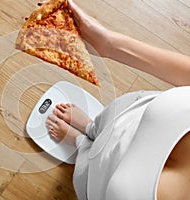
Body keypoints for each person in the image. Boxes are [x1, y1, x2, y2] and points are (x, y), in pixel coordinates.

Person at [45, 1, 190, 199]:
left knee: (89, 161)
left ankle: (80, 143)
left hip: (98, 177)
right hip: (129, 117)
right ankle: (90, 128)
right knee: (105, 123)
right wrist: (108, 44)